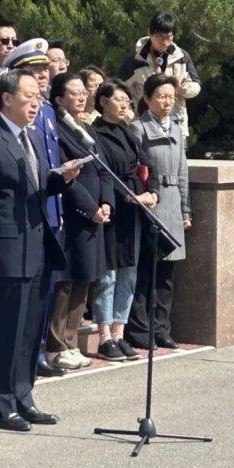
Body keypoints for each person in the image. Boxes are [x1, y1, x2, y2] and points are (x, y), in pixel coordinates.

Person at [0, 69, 81, 431]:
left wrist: (60, 179)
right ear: (6, 99)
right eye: (28, 97)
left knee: (30, 330)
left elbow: (35, 186)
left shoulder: (30, 137)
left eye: (38, 97)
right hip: (7, 250)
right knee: (5, 331)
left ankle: (23, 397)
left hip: (37, 247)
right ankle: (0, 405)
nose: (36, 104)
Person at [0, 38, 66, 378]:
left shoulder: (48, 111)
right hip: (23, 216)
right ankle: (27, 356)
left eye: (44, 69)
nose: (42, 75)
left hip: (48, 209)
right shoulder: (9, 117)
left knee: (44, 290)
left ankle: (38, 348)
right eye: (34, 70)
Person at [47, 72, 114, 370]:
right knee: (65, 282)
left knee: (84, 279)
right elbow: (67, 178)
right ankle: (55, 345)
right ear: (59, 98)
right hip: (73, 215)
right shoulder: (56, 129)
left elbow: (104, 170)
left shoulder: (87, 129)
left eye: (83, 92)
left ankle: (71, 341)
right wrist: (90, 208)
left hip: (95, 215)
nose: (81, 96)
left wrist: (106, 202)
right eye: (73, 93)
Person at [92, 80, 158, 361]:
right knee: (108, 275)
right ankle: (104, 336)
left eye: (127, 100)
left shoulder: (129, 132)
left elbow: (146, 164)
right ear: (103, 102)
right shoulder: (94, 133)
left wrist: (152, 192)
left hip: (135, 210)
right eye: (118, 99)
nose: (124, 105)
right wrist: (129, 196)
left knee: (129, 274)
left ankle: (119, 333)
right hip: (113, 209)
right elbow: (102, 174)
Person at [126, 74, 192, 350]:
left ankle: (162, 328)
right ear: (147, 99)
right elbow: (135, 169)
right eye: (161, 96)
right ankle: (140, 329)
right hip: (151, 202)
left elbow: (183, 171)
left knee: (166, 273)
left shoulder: (176, 128)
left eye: (171, 97)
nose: (167, 102)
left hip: (173, 201)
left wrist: (186, 210)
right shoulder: (138, 128)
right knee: (146, 270)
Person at [119, 11, 200, 138]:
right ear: (150, 32)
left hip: (177, 126)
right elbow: (118, 91)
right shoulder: (135, 60)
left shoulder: (181, 56)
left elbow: (196, 85)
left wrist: (185, 89)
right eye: (159, 36)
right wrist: (132, 119)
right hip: (145, 128)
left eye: (168, 37)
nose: (164, 42)